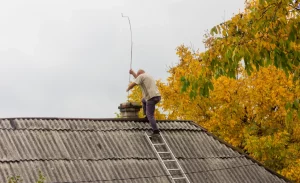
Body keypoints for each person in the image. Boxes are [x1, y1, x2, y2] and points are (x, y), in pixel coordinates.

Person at [126, 69, 161, 135]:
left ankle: (156, 131)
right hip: (157, 96)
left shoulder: (141, 76)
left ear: (139, 73)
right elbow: (138, 78)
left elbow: (134, 83)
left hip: (151, 97)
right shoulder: (148, 75)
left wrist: (128, 89)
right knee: (143, 100)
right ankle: (147, 116)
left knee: (150, 115)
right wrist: (133, 73)